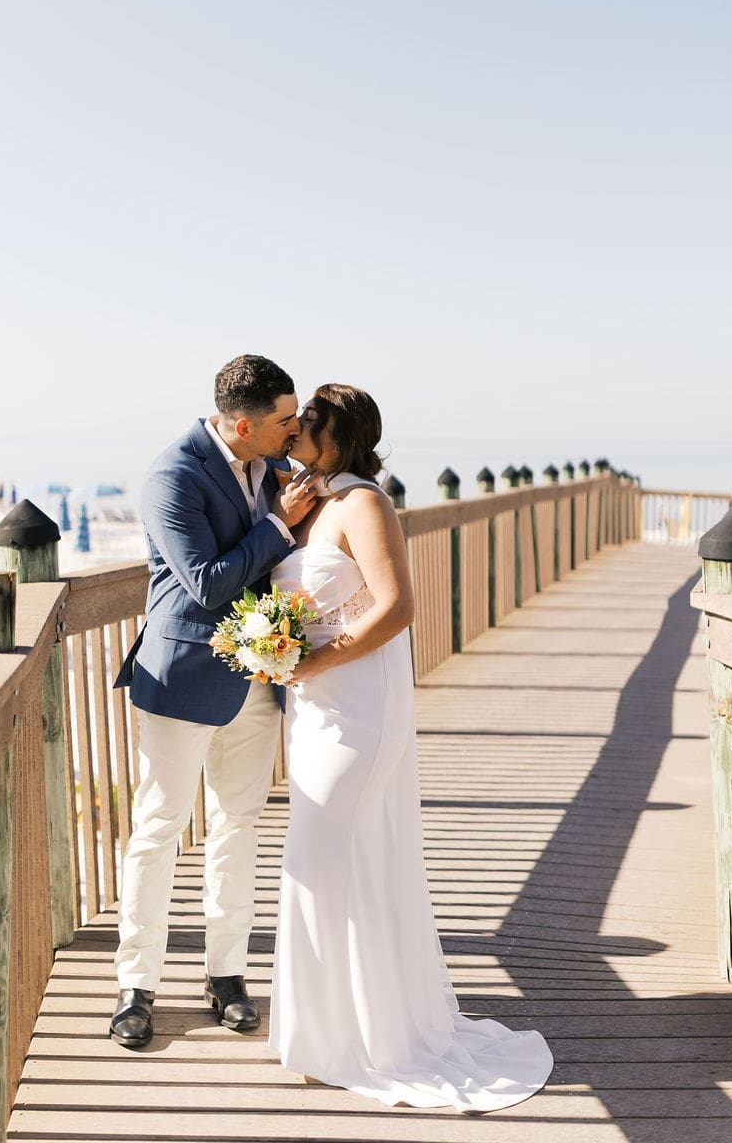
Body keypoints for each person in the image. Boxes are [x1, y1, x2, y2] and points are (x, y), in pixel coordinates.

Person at [270, 383, 553, 1112]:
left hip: (359, 705)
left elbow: (397, 606)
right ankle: (344, 1028)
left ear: (342, 434)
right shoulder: (310, 501)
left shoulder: (366, 502)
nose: (296, 427)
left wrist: (313, 661)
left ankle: (357, 1038)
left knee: (314, 857)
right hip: (314, 708)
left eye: (310, 421)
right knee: (346, 860)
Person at [109, 354, 318, 1050]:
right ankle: (136, 985)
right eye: (285, 419)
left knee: (239, 827)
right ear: (241, 424)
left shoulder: (275, 467)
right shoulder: (173, 475)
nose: (297, 426)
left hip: (257, 678)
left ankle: (227, 975)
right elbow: (205, 581)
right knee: (160, 828)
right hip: (182, 678)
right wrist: (280, 525)